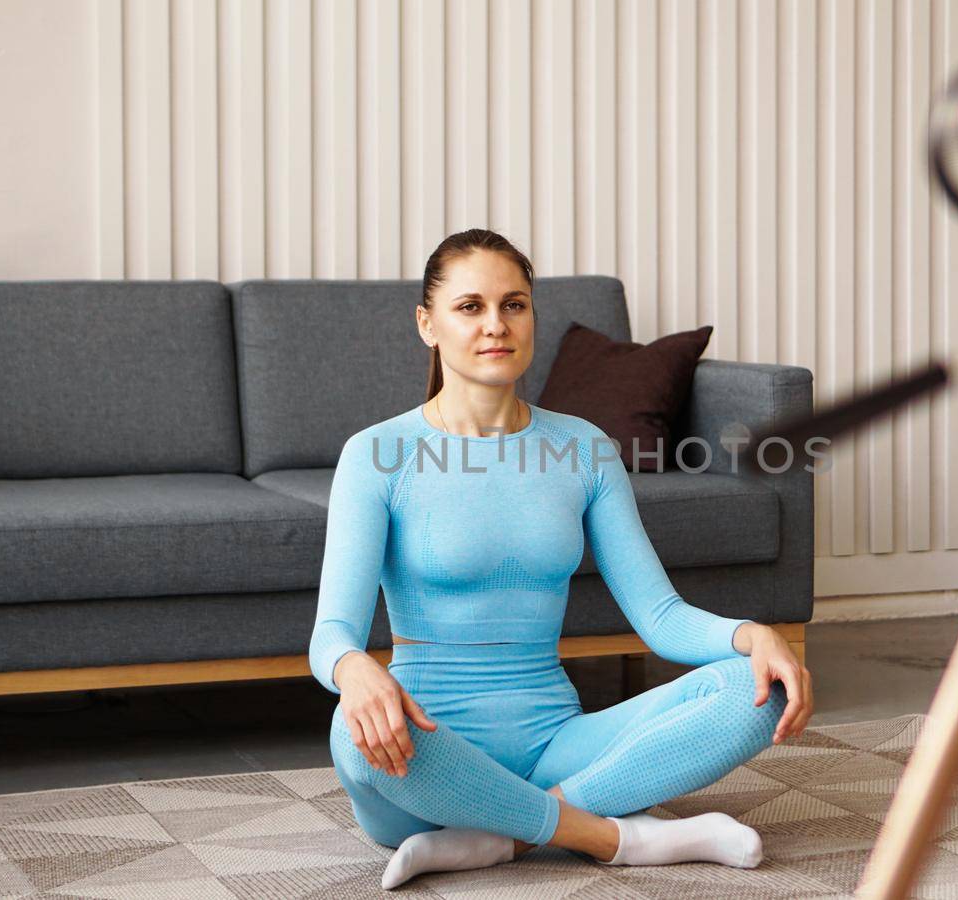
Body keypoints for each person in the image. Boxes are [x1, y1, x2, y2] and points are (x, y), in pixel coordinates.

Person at [309, 228, 814, 890]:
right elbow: (331, 633)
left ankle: (499, 839)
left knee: (761, 687)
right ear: (427, 324)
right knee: (354, 735)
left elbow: (659, 614)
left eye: (514, 305)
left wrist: (754, 636)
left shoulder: (583, 448)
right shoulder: (378, 454)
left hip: (555, 744)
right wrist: (355, 670)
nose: (496, 325)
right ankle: (609, 834)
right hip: (426, 758)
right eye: (471, 307)